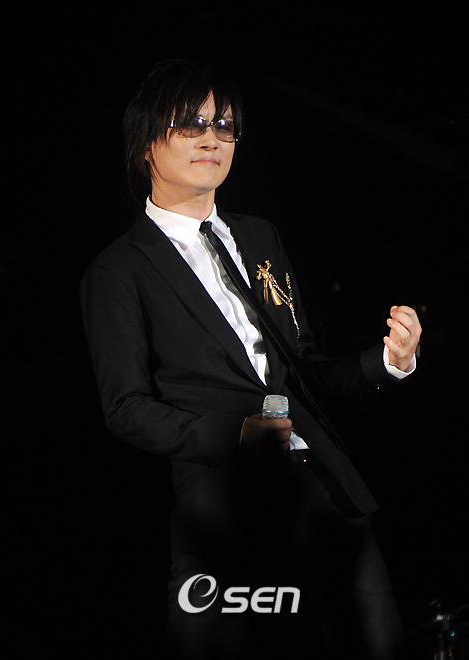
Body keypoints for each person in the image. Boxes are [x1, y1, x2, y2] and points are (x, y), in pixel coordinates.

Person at [80, 59, 422, 659]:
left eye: (224, 125)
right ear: (146, 144)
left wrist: (389, 360)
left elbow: (304, 366)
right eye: (190, 123)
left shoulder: (260, 237)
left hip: (328, 490)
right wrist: (236, 436)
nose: (211, 138)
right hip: (227, 504)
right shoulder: (119, 270)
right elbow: (126, 408)